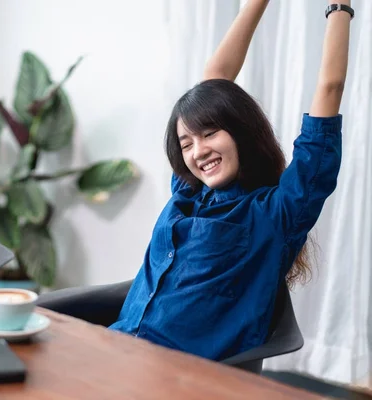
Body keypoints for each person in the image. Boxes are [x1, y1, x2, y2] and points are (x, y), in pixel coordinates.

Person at [109, 0, 353, 361]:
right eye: (186, 143)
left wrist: (339, 7)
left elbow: (330, 87)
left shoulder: (275, 213)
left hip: (173, 377)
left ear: (240, 130)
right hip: (113, 349)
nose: (198, 151)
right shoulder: (188, 191)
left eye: (209, 133)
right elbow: (215, 78)